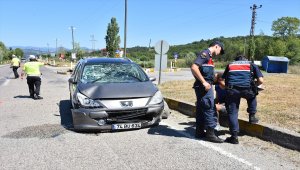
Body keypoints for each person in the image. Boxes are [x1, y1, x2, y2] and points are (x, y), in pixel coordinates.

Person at [221, 55, 263, 144]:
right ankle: (252, 116)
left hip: (232, 90)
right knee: (252, 96)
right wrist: (255, 85)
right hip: (247, 89)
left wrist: (226, 87)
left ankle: (234, 137)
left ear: (235, 60)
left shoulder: (230, 65)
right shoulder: (251, 65)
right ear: (245, 59)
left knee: (232, 112)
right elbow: (261, 80)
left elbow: (222, 79)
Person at [191, 41, 225, 143]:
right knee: (209, 107)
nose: (220, 52)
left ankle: (199, 132)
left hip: (203, 87)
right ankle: (210, 134)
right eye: (220, 50)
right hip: (204, 88)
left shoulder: (209, 57)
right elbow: (194, 67)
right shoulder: (205, 54)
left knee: (201, 109)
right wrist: (204, 82)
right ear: (216, 46)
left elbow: (199, 71)